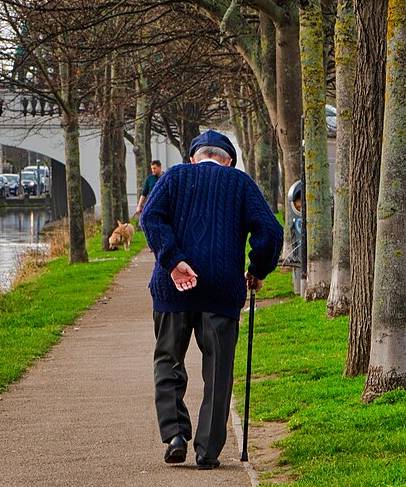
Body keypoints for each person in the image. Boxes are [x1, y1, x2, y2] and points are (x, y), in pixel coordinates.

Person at [141, 129, 283, 470]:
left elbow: (150, 218)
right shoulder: (240, 183)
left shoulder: (174, 176)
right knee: (218, 371)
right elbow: (271, 231)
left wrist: (173, 260)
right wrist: (257, 270)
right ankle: (208, 450)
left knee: (168, 360)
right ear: (228, 161)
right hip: (221, 289)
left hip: (173, 286)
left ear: (193, 157)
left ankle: (175, 434)